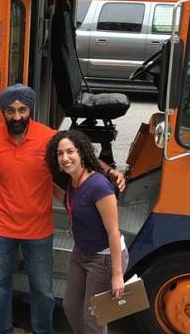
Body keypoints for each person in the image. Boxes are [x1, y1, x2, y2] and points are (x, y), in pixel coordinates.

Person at [0, 84, 124, 334]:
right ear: (3, 112)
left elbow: (80, 152)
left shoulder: (47, 137)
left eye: (22, 110)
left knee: (43, 290)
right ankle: (2, 330)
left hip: (39, 229)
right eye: (10, 111)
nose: (17, 116)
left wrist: (109, 171)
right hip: (1, 227)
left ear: (30, 109)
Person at [46, 130, 126, 334]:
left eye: (70, 151)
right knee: (71, 308)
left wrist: (117, 275)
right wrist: (42, 183)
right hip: (81, 253)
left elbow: (113, 232)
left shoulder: (99, 186)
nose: (65, 158)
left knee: (94, 319)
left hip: (104, 258)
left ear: (81, 152)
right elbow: (70, 202)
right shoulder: (74, 182)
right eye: (60, 154)